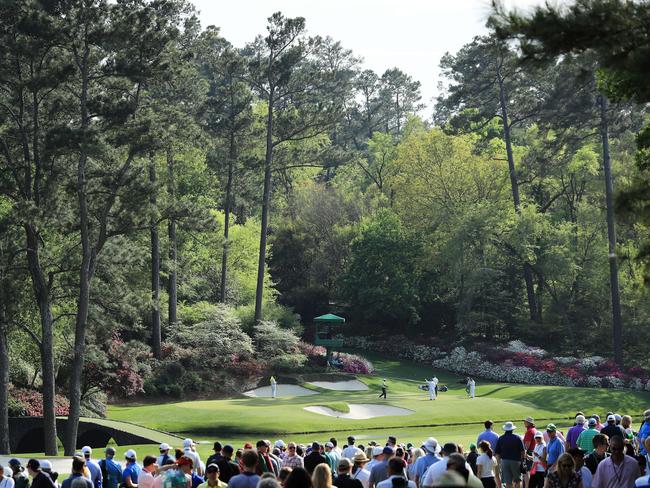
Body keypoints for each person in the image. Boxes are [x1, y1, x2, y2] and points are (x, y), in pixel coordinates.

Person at [495, 422, 526, 488]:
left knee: (508, 482)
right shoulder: (517, 438)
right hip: (516, 461)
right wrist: (522, 460)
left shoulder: (500, 438)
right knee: (517, 480)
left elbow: (497, 453)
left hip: (504, 462)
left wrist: (499, 464)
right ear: (512, 429)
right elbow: (523, 452)